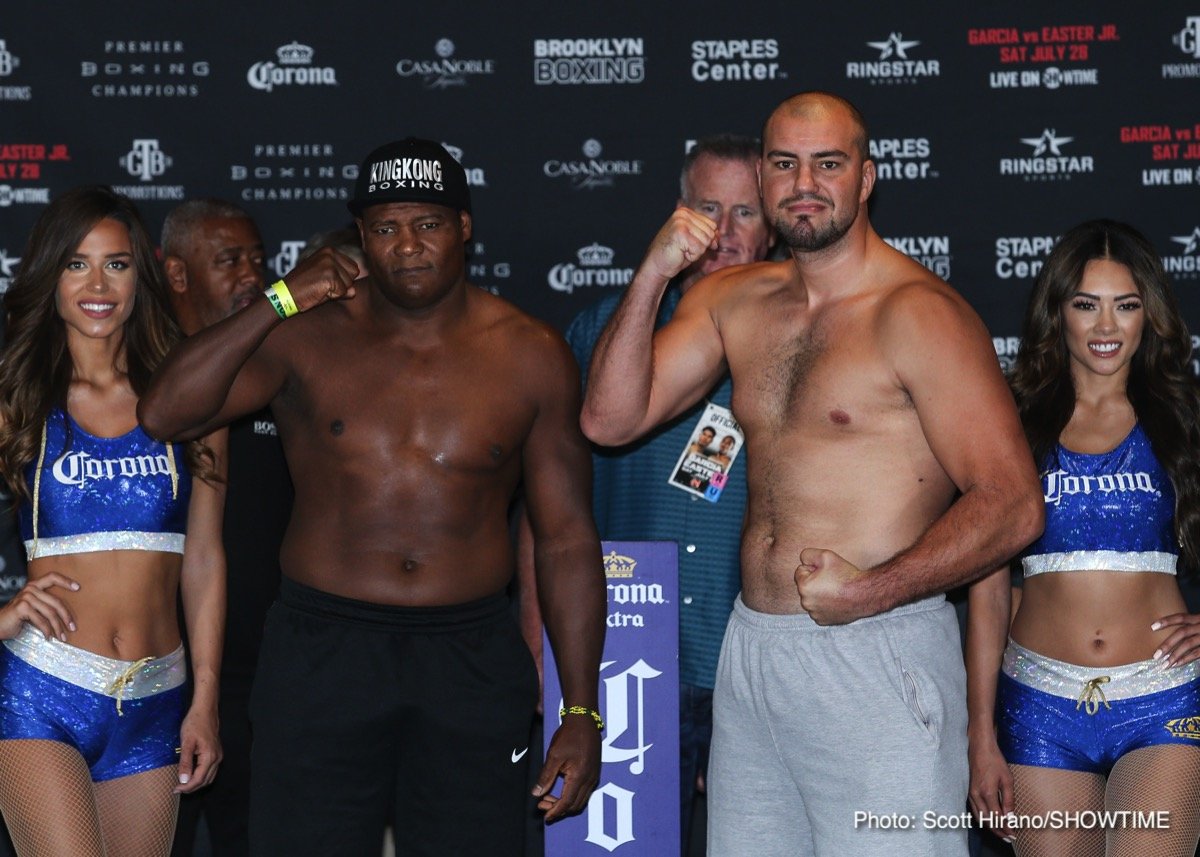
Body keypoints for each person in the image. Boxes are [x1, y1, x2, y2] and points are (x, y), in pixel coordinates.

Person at [581, 91, 1043, 857]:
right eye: (786, 164)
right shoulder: (731, 298)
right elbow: (609, 419)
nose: (805, 183)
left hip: (874, 650)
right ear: (762, 178)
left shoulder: (919, 313)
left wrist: (873, 588)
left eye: (828, 163)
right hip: (753, 650)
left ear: (866, 179)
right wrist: (655, 271)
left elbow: (1013, 503)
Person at [138, 138, 606, 857]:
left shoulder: (530, 352)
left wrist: (579, 707)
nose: (408, 245)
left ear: (466, 228)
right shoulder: (307, 336)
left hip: (470, 655)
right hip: (324, 651)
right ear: (361, 237)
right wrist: (281, 296)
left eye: (429, 223)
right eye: (386, 227)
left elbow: (568, 537)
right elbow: (164, 412)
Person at [543, 131, 772, 854]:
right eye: (711, 208)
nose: (727, 232)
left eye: (747, 211)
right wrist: (540, 653)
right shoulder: (603, 331)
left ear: (777, 225)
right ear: (680, 213)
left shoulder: (802, 340)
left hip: (752, 664)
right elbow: (548, 511)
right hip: (625, 656)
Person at [0, 186, 225, 856]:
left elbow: (207, 559)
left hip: (159, 702)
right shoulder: (19, 400)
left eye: (117, 264)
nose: (98, 284)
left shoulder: (189, 401)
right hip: (42, 698)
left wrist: (205, 698)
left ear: (141, 275)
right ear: (51, 275)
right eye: (77, 264)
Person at [967, 220, 1200, 856]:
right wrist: (979, 735)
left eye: (1125, 306)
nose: (1105, 327)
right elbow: (988, 594)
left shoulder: (1185, 416)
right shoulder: (1008, 422)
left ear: (1149, 314)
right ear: (1057, 311)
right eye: (1085, 305)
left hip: (1164, 701)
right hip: (1038, 706)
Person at [160, 198, 292, 857]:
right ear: (177, 275)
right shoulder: (147, 383)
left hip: (272, 678)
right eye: (230, 260)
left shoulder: (285, 368)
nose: (253, 276)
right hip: (156, 674)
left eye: (259, 260)